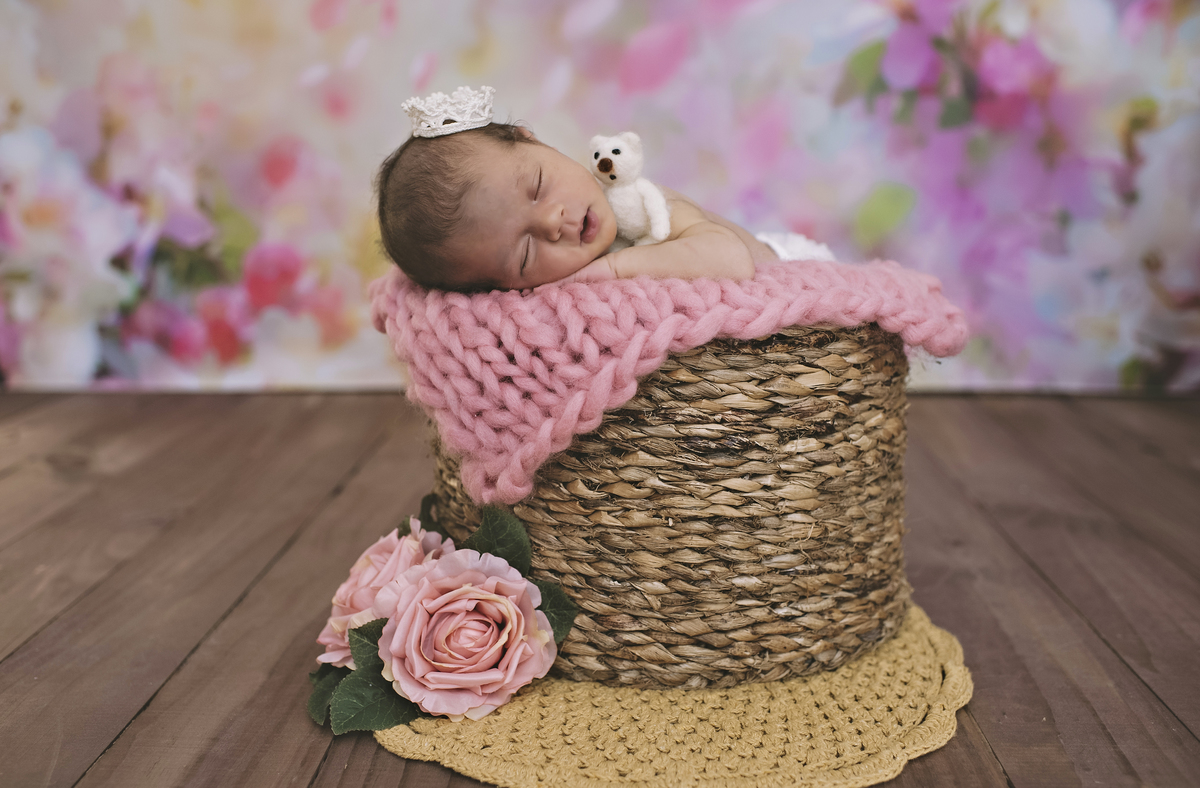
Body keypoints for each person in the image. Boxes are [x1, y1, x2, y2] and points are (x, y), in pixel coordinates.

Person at [376, 87, 803, 292]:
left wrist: (617, 269)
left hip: (786, 263)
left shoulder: (643, 209)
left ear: (533, 139)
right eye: (525, 254)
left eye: (538, 186)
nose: (551, 222)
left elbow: (731, 260)